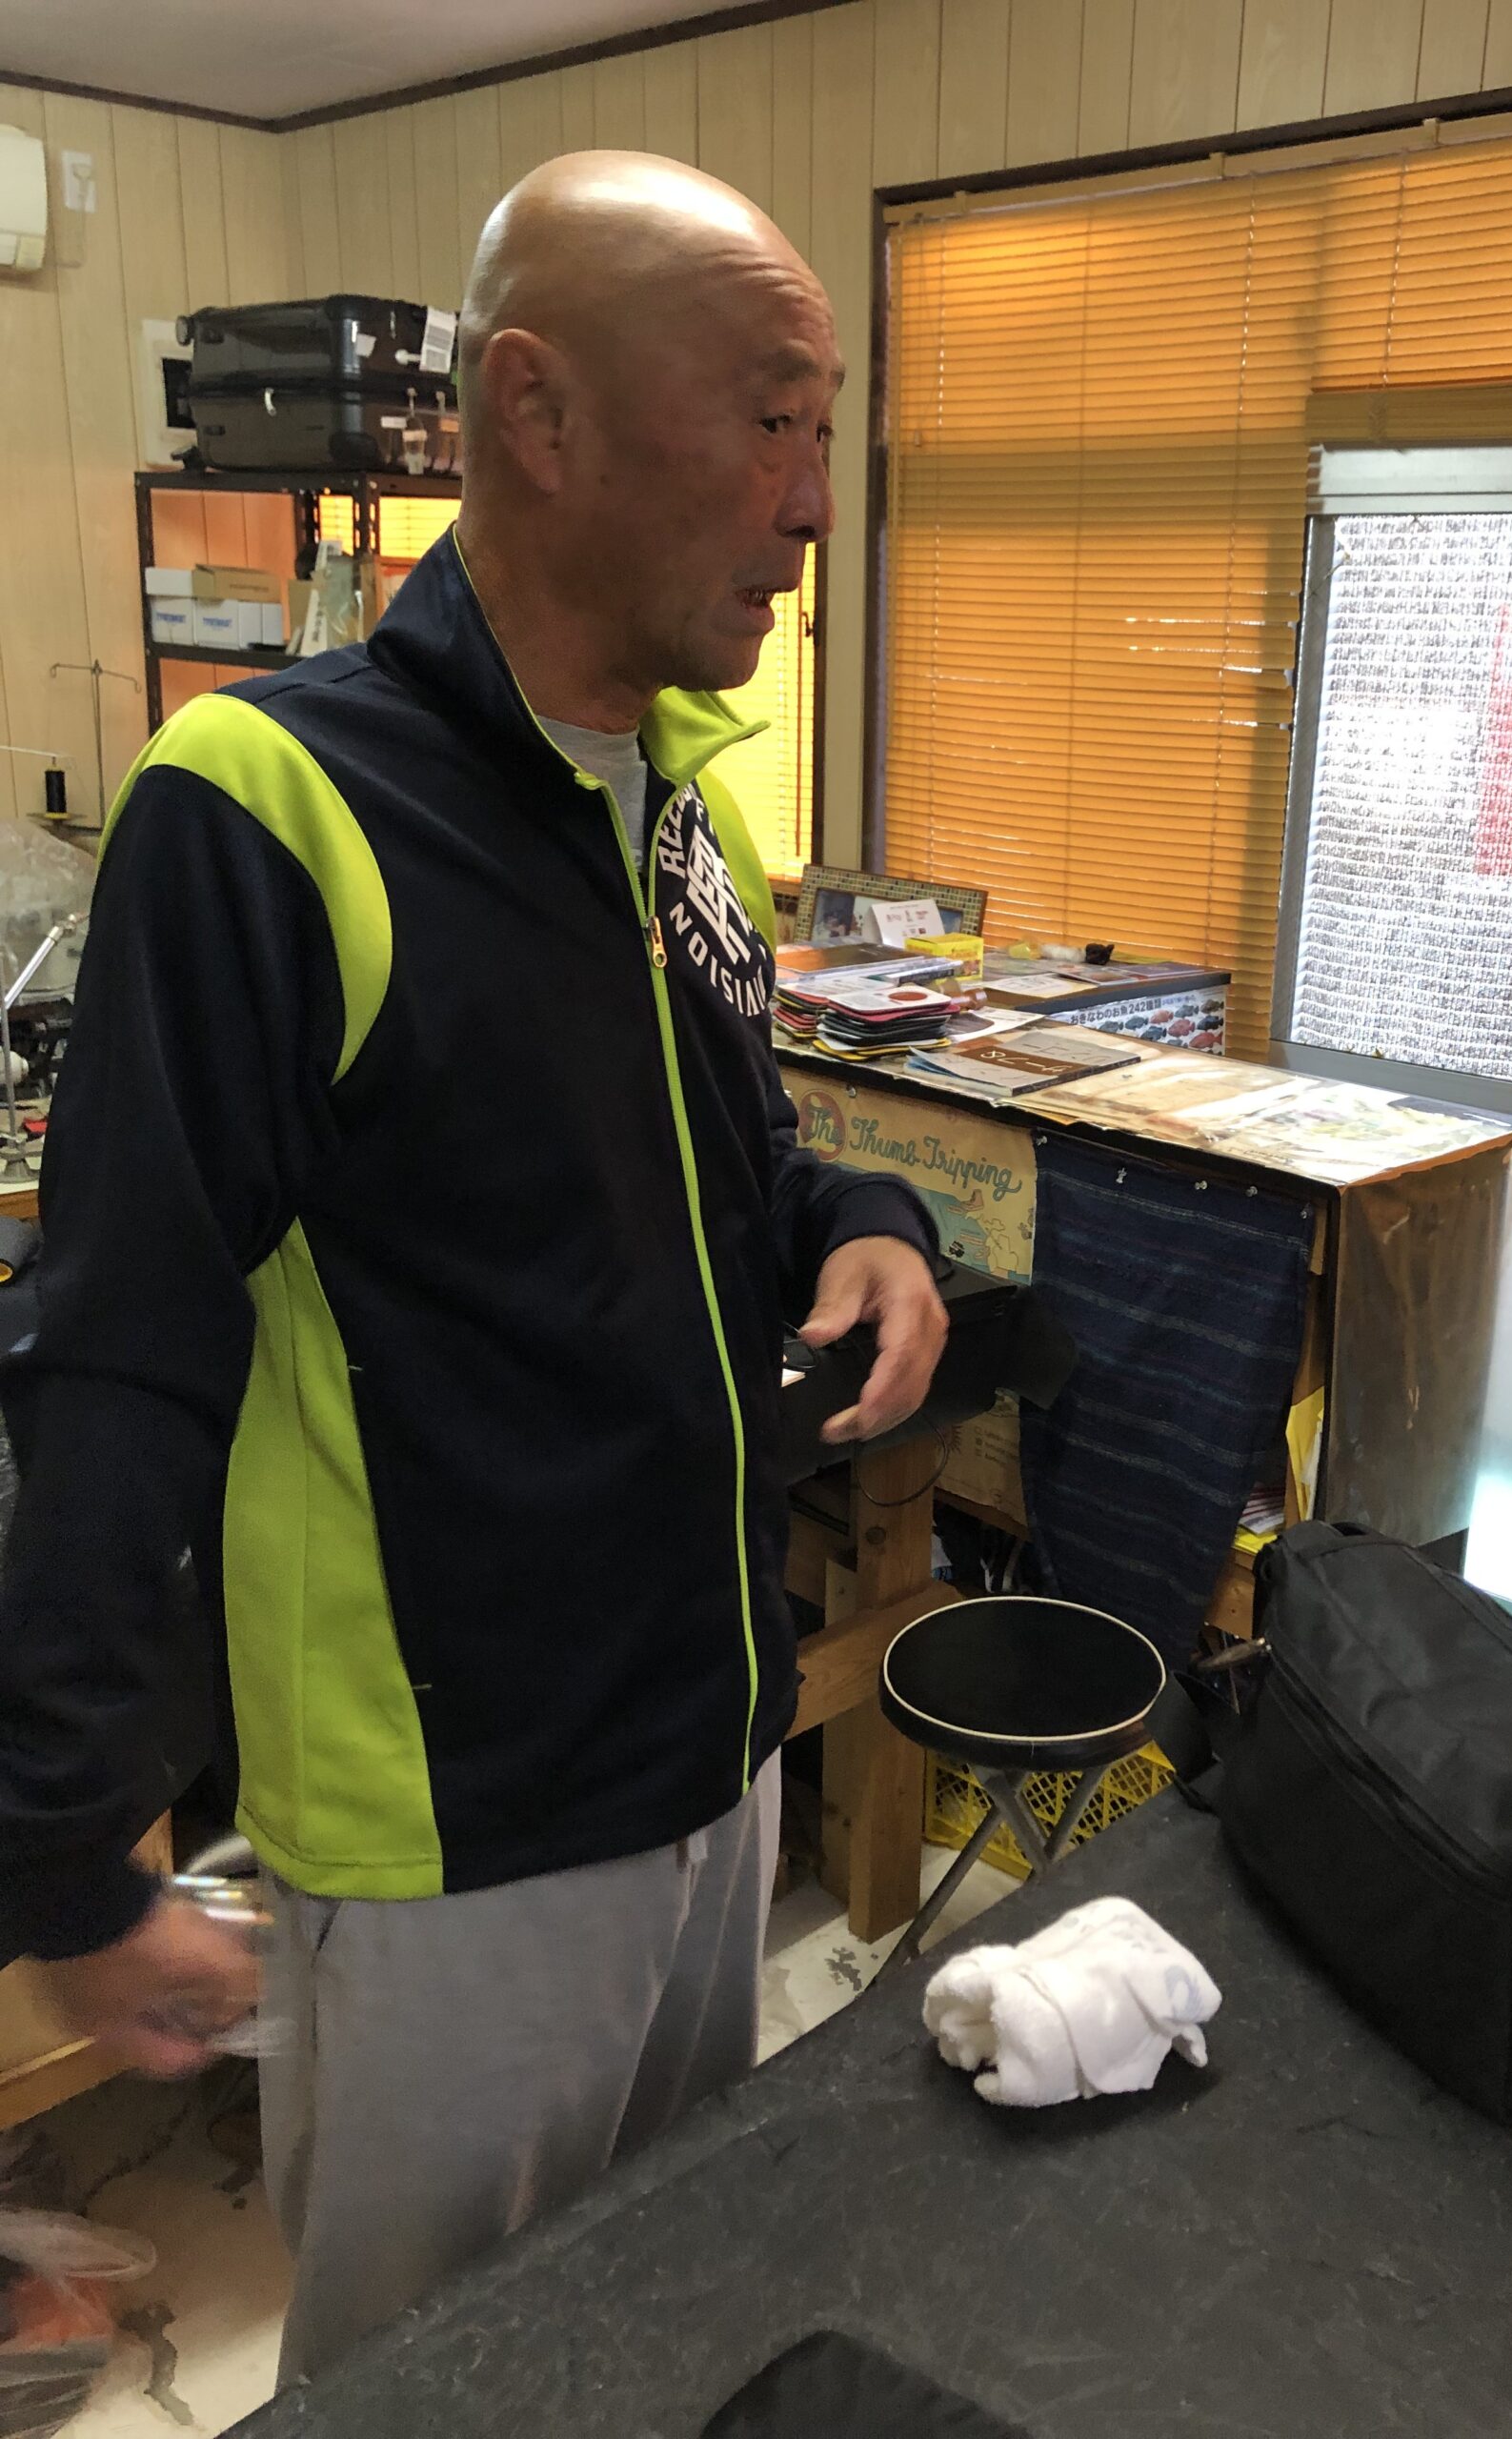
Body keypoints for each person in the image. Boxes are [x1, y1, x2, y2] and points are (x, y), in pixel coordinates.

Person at [0, 154, 947, 2379]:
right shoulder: (262, 804)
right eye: (774, 420)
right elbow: (121, 1354)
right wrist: (65, 1849)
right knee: (443, 2387)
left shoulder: (676, 814)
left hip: (716, 1751)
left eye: (825, 433)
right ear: (538, 410)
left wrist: (875, 1226)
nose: (814, 505)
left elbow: (741, 1162)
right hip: (462, 1844)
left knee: (665, 2338)